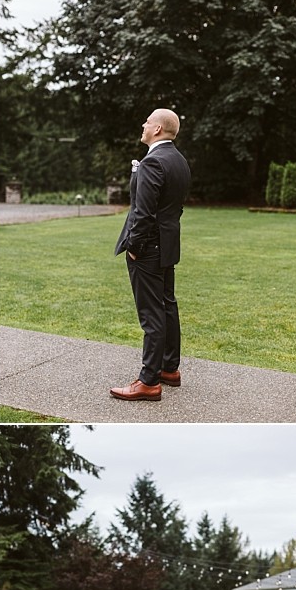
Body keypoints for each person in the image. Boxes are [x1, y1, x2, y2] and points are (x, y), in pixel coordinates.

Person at [110, 109, 191, 402]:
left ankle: (148, 381)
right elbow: (175, 208)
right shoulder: (179, 160)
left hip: (148, 249)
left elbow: (143, 213)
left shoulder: (153, 162)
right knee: (167, 304)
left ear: (157, 129)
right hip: (168, 244)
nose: (143, 125)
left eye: (147, 122)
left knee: (151, 313)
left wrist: (134, 246)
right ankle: (169, 368)